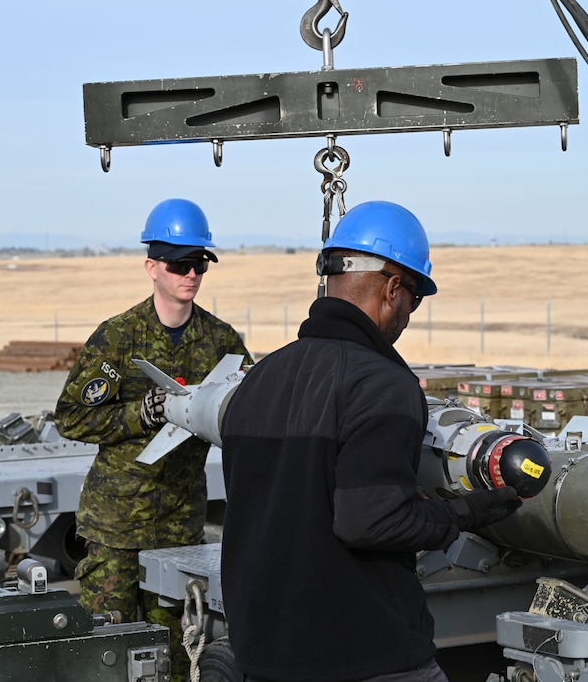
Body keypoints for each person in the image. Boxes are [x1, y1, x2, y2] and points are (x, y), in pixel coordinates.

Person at [220, 201, 522, 681]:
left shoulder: (258, 379)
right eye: (414, 300)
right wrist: (463, 513)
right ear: (392, 288)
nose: (408, 314)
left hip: (262, 652)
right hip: (363, 654)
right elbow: (370, 521)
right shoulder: (382, 384)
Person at [55, 198, 252, 682]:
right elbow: (71, 417)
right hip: (116, 528)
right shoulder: (118, 338)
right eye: (178, 263)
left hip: (180, 528)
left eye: (199, 263)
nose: (191, 273)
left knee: (177, 658)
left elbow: (249, 409)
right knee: (108, 657)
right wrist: (139, 415)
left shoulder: (221, 341)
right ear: (152, 267)